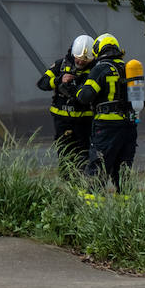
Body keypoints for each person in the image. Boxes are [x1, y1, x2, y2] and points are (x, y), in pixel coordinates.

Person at [75, 32, 137, 190]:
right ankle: (126, 209)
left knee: (97, 171)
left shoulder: (101, 69)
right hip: (129, 126)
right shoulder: (128, 69)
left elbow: (85, 96)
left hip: (107, 128)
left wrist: (77, 88)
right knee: (123, 173)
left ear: (98, 51)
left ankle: (92, 209)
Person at [37, 33, 95, 179]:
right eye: (78, 58)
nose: (81, 62)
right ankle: (68, 185)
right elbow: (42, 83)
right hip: (62, 121)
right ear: (73, 53)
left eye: (85, 60)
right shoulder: (60, 65)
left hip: (85, 123)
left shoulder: (95, 70)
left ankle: (82, 185)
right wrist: (59, 80)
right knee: (65, 155)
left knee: (84, 156)